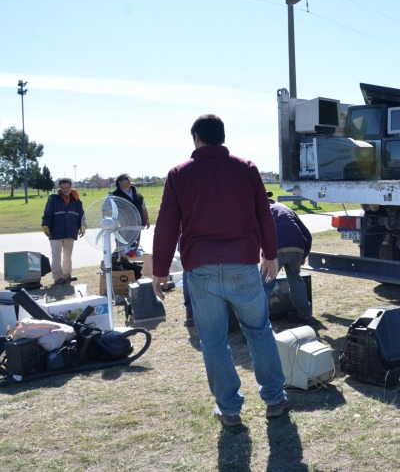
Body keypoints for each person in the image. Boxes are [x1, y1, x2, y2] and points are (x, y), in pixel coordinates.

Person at [151, 114, 291, 427]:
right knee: (258, 329)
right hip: (243, 262)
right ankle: (274, 398)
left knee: (213, 339)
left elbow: (167, 225)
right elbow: (264, 216)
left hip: (201, 268)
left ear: (196, 139)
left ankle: (229, 409)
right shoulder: (246, 168)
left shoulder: (179, 173)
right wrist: (270, 254)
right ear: (222, 137)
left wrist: (159, 270)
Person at [265, 191, 313, 324]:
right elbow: (307, 234)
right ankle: (304, 315)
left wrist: (266, 256)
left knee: (264, 284)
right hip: (297, 247)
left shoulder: (260, 210)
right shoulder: (284, 207)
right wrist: (304, 254)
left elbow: (260, 234)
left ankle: (259, 322)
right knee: (295, 280)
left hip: (277, 248)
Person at [41, 178, 86, 285]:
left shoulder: (77, 201)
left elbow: (81, 215)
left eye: (67, 187)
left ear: (71, 187)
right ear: (59, 188)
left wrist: (82, 226)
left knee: (67, 255)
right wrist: (45, 224)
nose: (65, 189)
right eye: (63, 188)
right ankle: (57, 277)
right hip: (56, 232)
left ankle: (67, 275)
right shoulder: (53, 199)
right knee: (56, 255)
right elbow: (47, 213)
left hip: (70, 231)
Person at [109, 173, 150, 249]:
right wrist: (109, 223)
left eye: (129, 178)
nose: (128, 180)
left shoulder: (137, 194)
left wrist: (147, 220)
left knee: (134, 248)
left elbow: (143, 208)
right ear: (119, 182)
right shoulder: (114, 195)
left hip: (137, 226)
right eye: (125, 178)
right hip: (122, 227)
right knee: (122, 249)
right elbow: (106, 209)